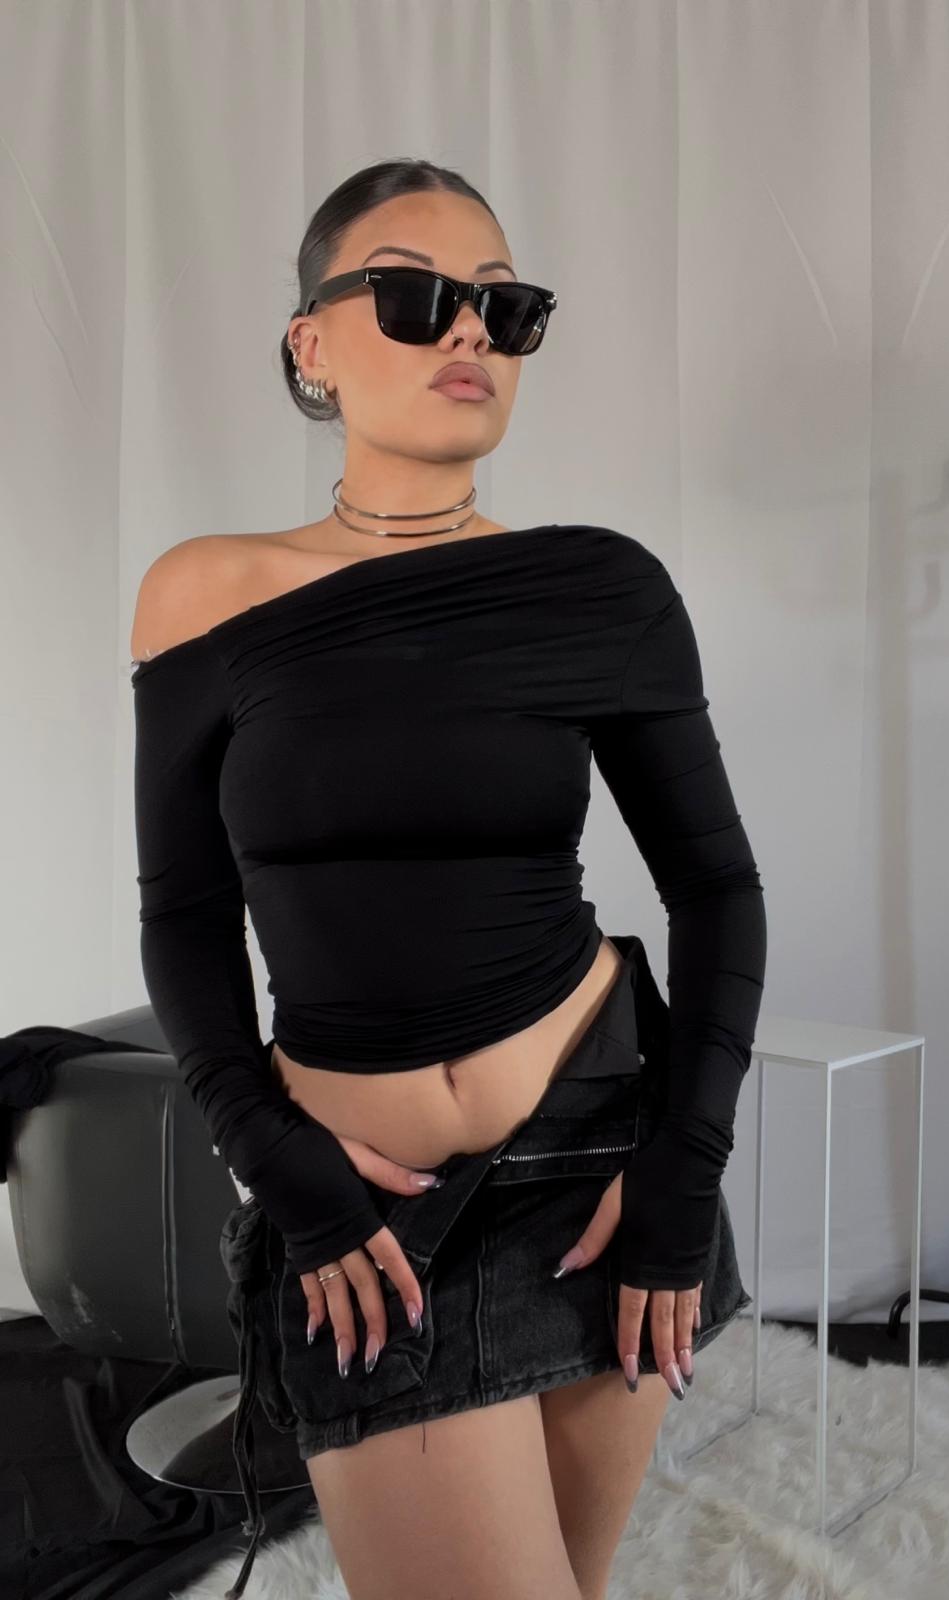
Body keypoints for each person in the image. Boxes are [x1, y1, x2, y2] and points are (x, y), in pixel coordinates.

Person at [129, 157, 767, 1600]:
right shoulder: (204, 595)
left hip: (600, 1173)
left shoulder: (601, 587)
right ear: (312, 342)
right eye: (417, 297)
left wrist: (686, 1168)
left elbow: (719, 889)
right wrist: (272, 1155)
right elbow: (184, 911)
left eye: (504, 304)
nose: (471, 328)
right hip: (372, 1222)